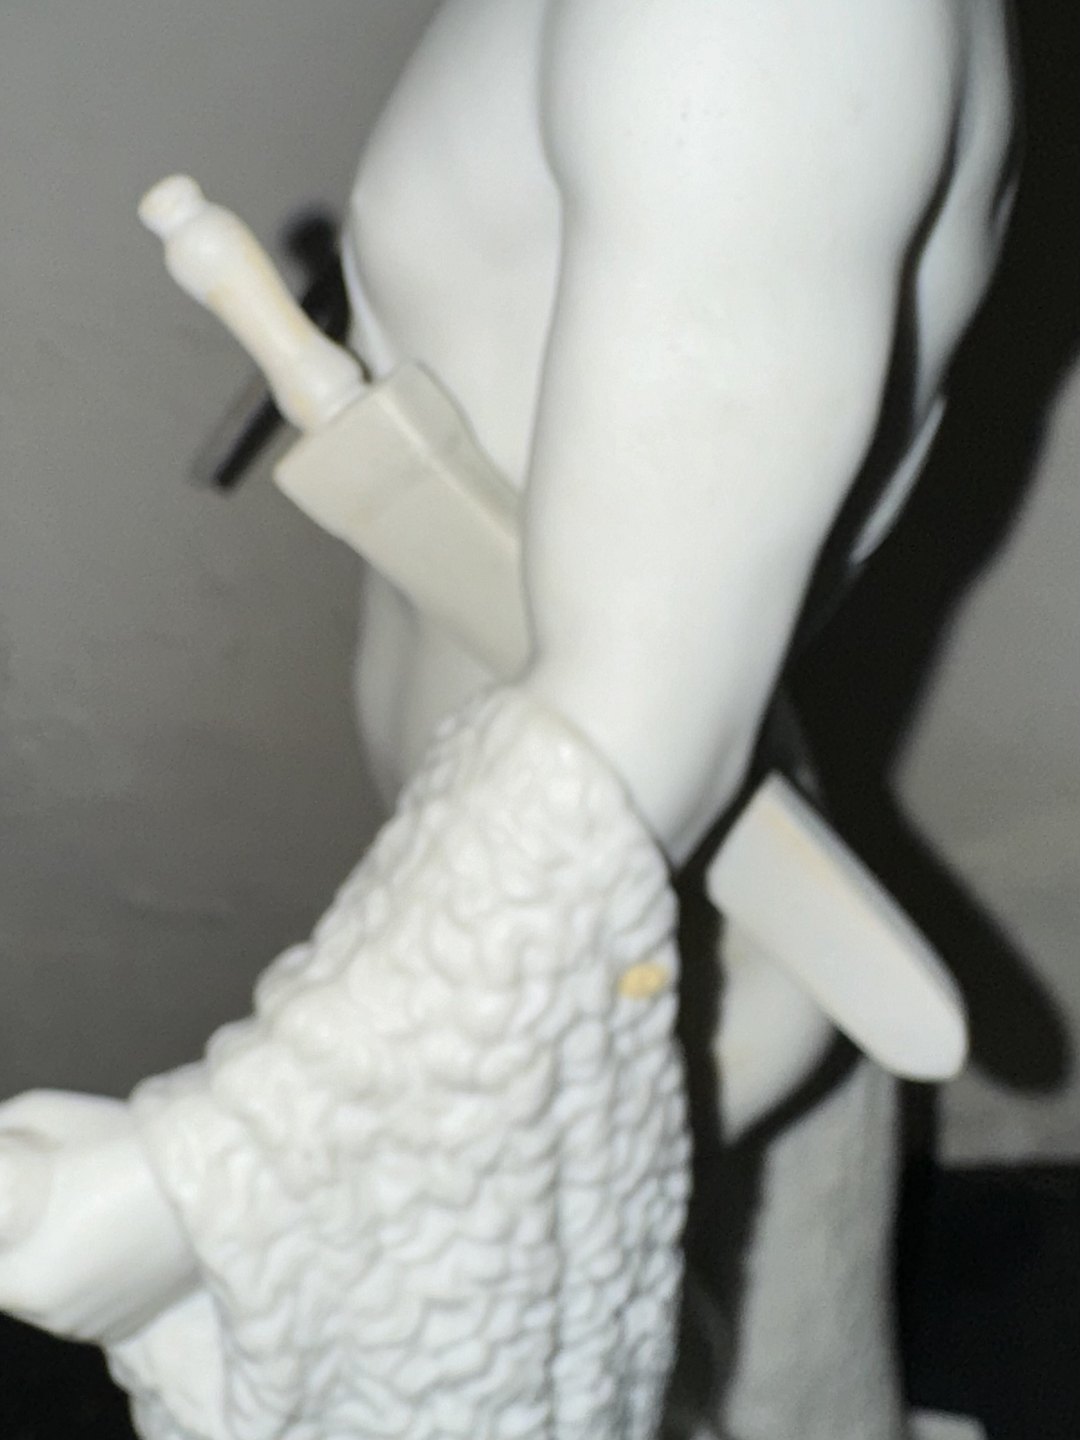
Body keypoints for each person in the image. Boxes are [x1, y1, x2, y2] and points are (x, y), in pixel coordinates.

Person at [0, 3, 1018, 1436]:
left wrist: (235, 1173)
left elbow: (635, 736)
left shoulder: (748, 33)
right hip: (524, 922)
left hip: (633, 983)